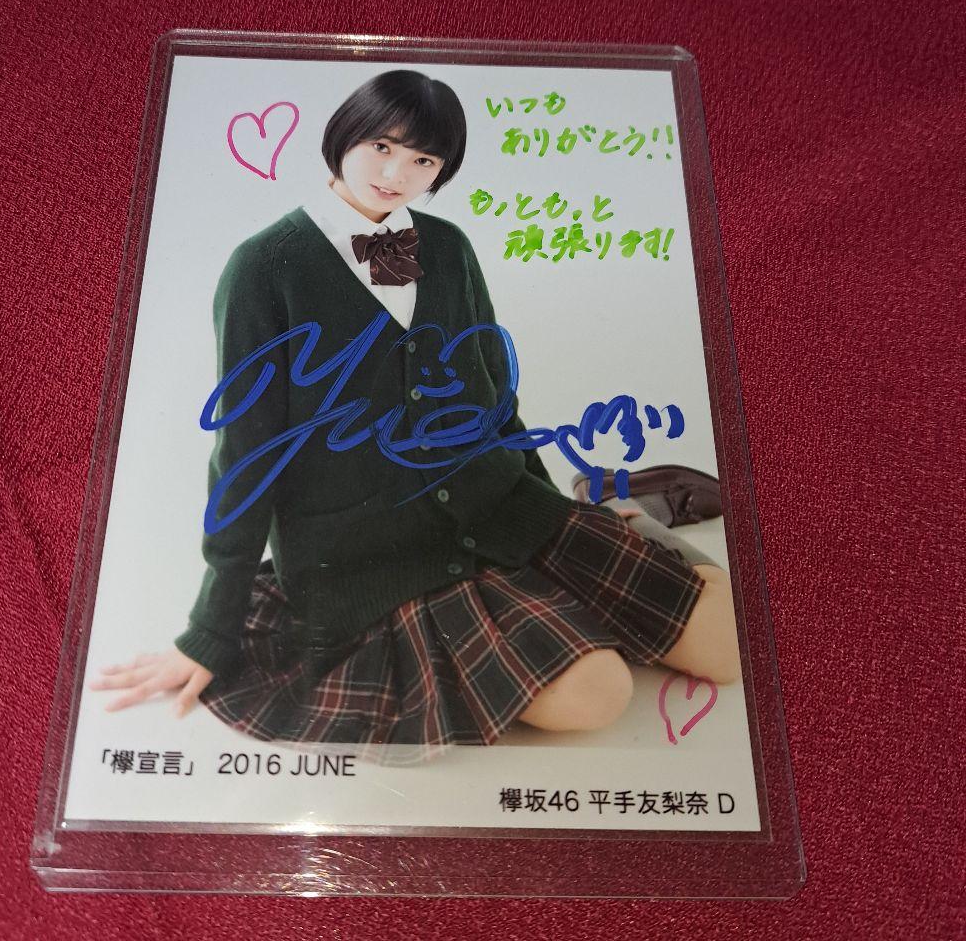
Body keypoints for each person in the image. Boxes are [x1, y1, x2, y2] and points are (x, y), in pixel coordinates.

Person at [91, 69, 741, 758]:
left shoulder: (448, 247)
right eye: (381, 146)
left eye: (424, 160)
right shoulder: (264, 268)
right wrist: (211, 629)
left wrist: (553, 514)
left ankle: (599, 513)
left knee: (730, 646)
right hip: (374, 552)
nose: (396, 174)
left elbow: (494, 396)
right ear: (344, 136)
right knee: (600, 694)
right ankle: (589, 567)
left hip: (498, 503)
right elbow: (246, 455)